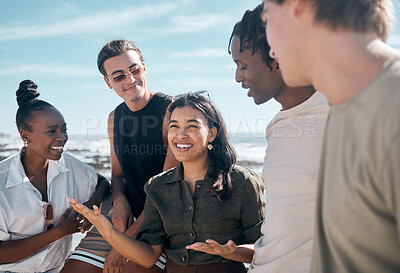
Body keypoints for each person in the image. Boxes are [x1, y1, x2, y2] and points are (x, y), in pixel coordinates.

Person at [261, 0, 400, 272]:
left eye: (267, 18)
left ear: (297, 6)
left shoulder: (391, 109)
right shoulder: (342, 108)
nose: (268, 44)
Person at [68, 92, 265, 273]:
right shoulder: (157, 187)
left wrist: (231, 252)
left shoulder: (243, 182)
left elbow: (261, 246)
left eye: (192, 126)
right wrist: (108, 231)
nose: (181, 134)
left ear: (212, 133)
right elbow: (148, 257)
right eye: (174, 126)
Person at [62, 39, 179, 273]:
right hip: (126, 215)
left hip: (162, 220)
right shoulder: (114, 118)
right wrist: (120, 202)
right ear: (108, 82)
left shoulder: (171, 112)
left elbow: (166, 189)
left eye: (134, 69)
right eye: (118, 76)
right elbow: (117, 174)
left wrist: (121, 243)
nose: (130, 79)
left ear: (144, 68)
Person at [227, 4, 329, 272]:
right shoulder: (276, 128)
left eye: (243, 65)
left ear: (277, 58)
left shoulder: (343, 112)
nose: (238, 77)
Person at [0, 80, 110, 273]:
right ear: (25, 135)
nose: (62, 137)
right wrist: (60, 232)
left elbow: (102, 183)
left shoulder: (69, 165)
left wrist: (90, 207)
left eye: (64, 129)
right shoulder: (2, 181)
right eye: (52, 131)